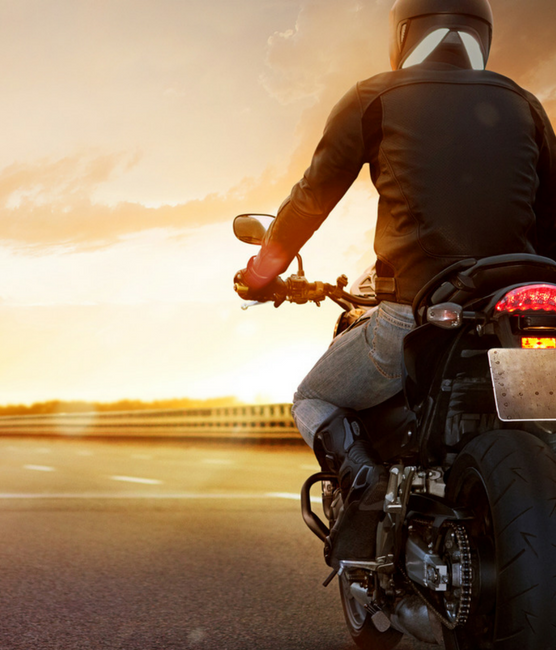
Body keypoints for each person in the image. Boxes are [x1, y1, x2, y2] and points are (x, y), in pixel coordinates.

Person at [235, 0, 556, 568]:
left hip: (418, 308)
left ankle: (364, 483)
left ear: (404, 34)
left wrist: (262, 274)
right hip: (520, 314)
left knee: (313, 397)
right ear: (483, 35)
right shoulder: (524, 104)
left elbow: (312, 197)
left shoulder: (375, 97)